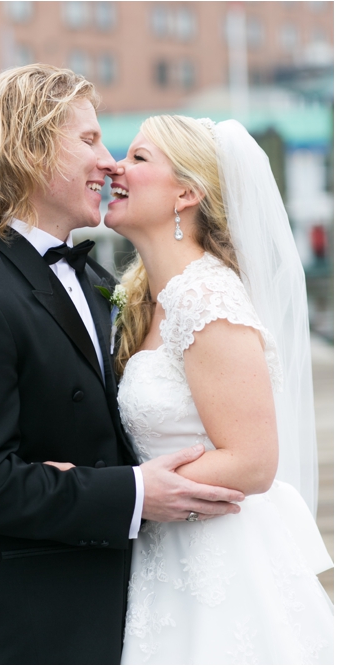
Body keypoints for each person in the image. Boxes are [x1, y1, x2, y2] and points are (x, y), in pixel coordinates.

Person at [0, 64, 246, 664]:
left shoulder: (93, 279)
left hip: (135, 609)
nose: (109, 161)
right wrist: (134, 492)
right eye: (89, 140)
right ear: (29, 147)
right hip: (36, 628)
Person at [105, 115, 333, 664]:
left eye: (138, 158)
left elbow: (253, 462)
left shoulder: (206, 298)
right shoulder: (148, 296)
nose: (115, 166)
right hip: (166, 556)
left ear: (186, 192)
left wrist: (123, 491)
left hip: (221, 561)